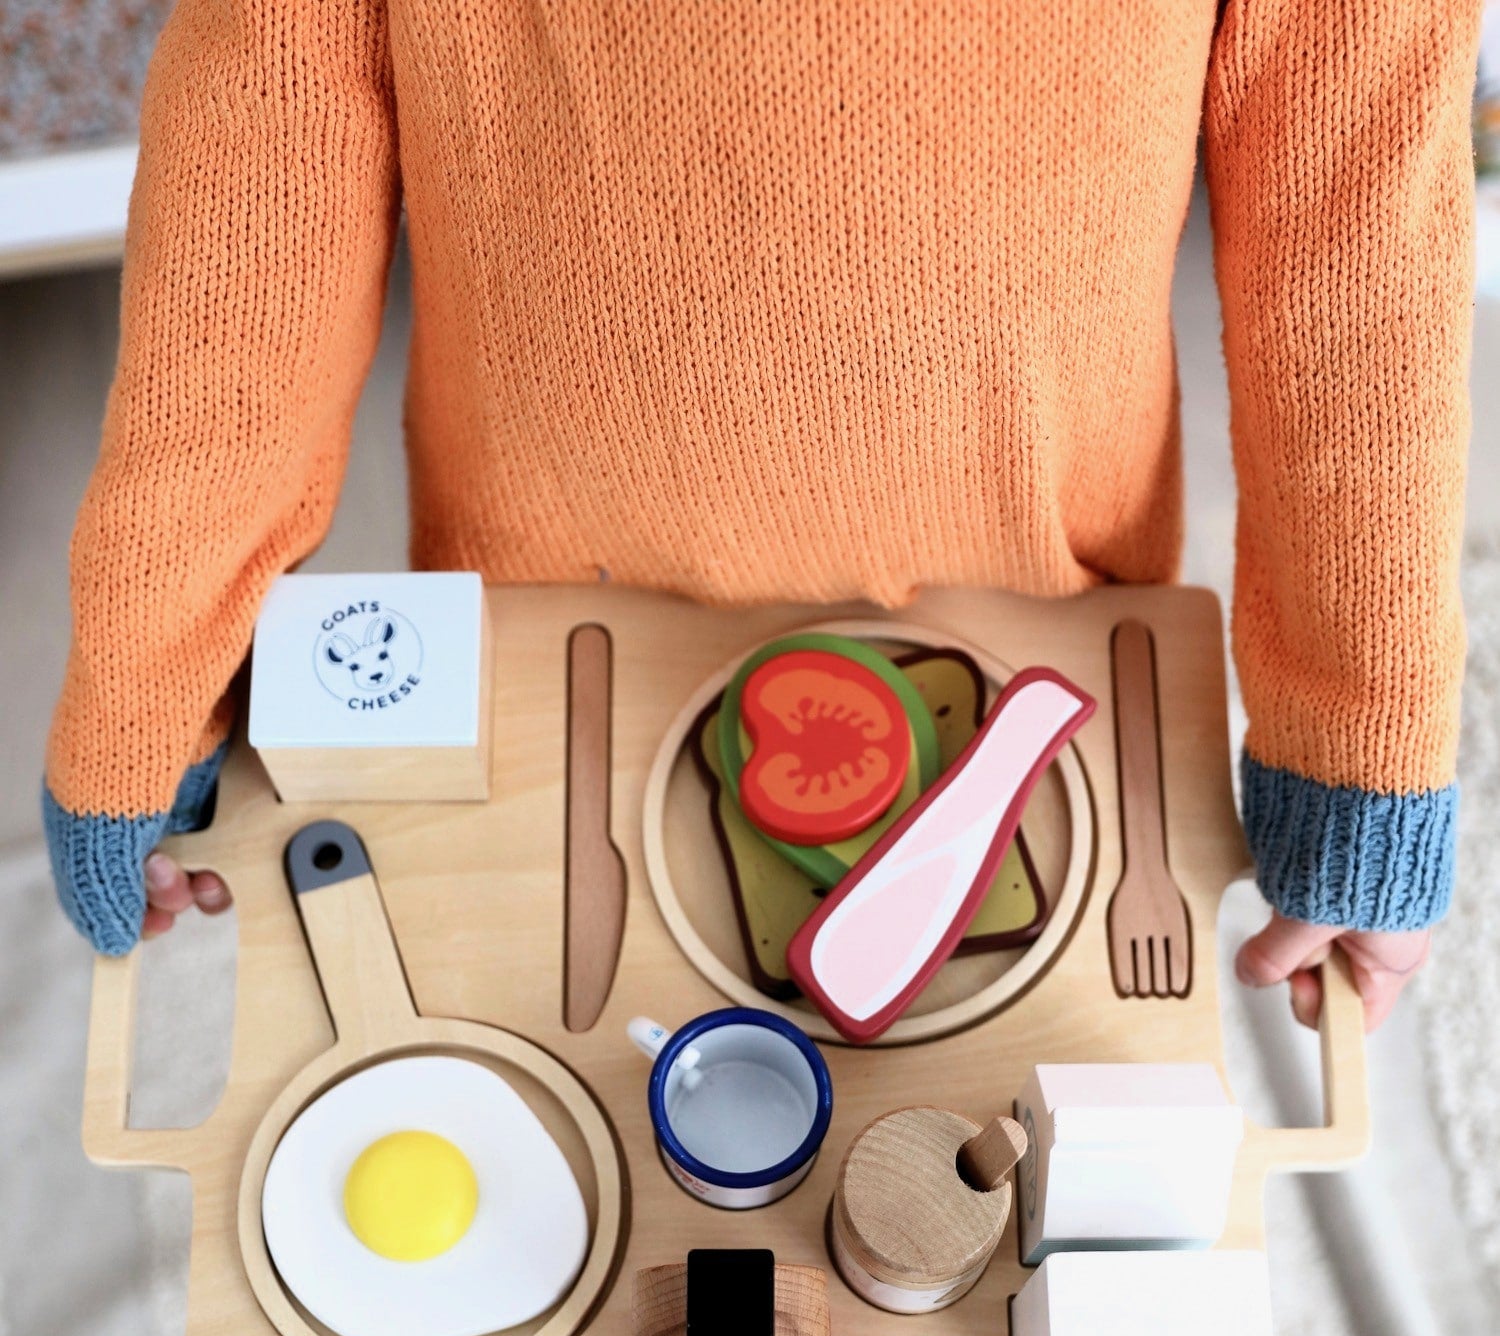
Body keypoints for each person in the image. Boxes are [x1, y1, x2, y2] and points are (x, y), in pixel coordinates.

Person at [43, 1, 1480, 1033]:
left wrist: (1362, 751)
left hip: (1044, 640)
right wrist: (148, 690)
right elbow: (258, 185)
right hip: (548, 639)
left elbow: (1354, 229)